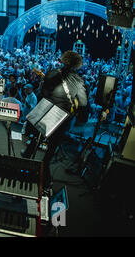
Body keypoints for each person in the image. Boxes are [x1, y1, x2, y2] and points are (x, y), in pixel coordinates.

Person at [39, 50, 87, 185]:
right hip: (64, 117)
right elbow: (83, 103)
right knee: (52, 146)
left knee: (41, 136)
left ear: (63, 60)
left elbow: (43, 92)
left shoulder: (53, 73)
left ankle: (30, 157)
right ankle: (45, 171)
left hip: (49, 111)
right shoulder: (78, 80)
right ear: (76, 65)